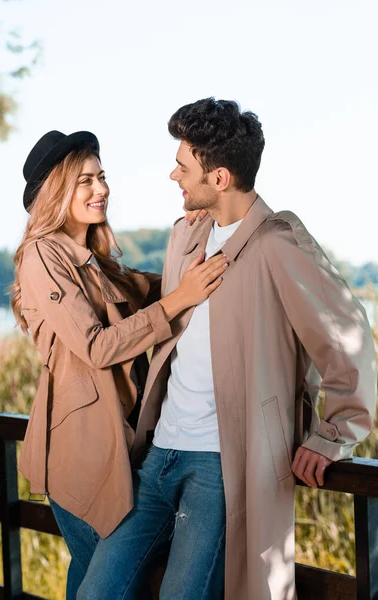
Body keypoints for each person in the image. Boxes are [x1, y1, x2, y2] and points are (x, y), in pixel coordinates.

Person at [77, 99, 377, 600]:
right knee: (96, 592)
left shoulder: (278, 244)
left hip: (219, 468)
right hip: (160, 456)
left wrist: (332, 435)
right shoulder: (185, 237)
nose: (174, 175)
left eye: (183, 166)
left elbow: (351, 341)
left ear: (218, 177)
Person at [11, 129, 228, 599]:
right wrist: (179, 300)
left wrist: (194, 228)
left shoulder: (98, 261)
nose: (101, 189)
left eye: (102, 176)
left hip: (118, 447)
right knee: (113, 584)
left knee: (97, 582)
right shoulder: (42, 255)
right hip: (80, 456)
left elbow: (161, 287)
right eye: (84, 180)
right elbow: (97, 347)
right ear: (55, 191)